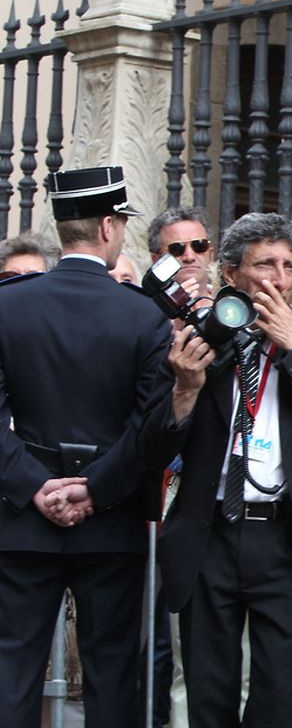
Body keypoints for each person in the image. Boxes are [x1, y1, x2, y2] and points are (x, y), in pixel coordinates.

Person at [145, 212, 292, 727]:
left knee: (280, 698)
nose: (281, 278)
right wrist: (185, 390)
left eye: (290, 266)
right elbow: (151, 447)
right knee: (210, 695)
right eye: (266, 263)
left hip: (285, 539)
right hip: (210, 536)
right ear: (229, 273)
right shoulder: (198, 343)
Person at [0, 165, 170, 727]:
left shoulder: (9, 305)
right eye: (121, 223)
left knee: (12, 668)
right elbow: (148, 429)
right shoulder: (145, 315)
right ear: (106, 227)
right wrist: (94, 489)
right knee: (112, 672)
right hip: (111, 519)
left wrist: (33, 485)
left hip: (25, 517)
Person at [148, 206, 215, 292]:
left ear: (211, 256)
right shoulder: (144, 305)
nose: (189, 257)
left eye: (199, 246)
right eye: (176, 249)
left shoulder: (231, 303)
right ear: (156, 260)